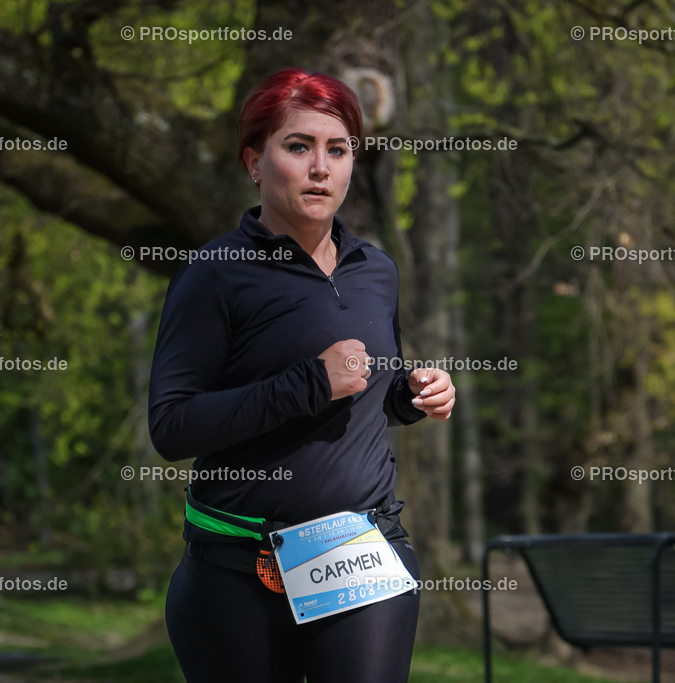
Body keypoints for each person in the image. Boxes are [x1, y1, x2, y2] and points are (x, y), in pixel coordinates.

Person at [148, 67, 456, 683]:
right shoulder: (216, 272)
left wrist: (413, 393)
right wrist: (307, 383)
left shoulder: (376, 269)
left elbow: (369, 391)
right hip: (238, 568)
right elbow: (173, 425)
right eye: (298, 146)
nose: (321, 167)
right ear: (254, 162)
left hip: (359, 551)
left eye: (337, 150)